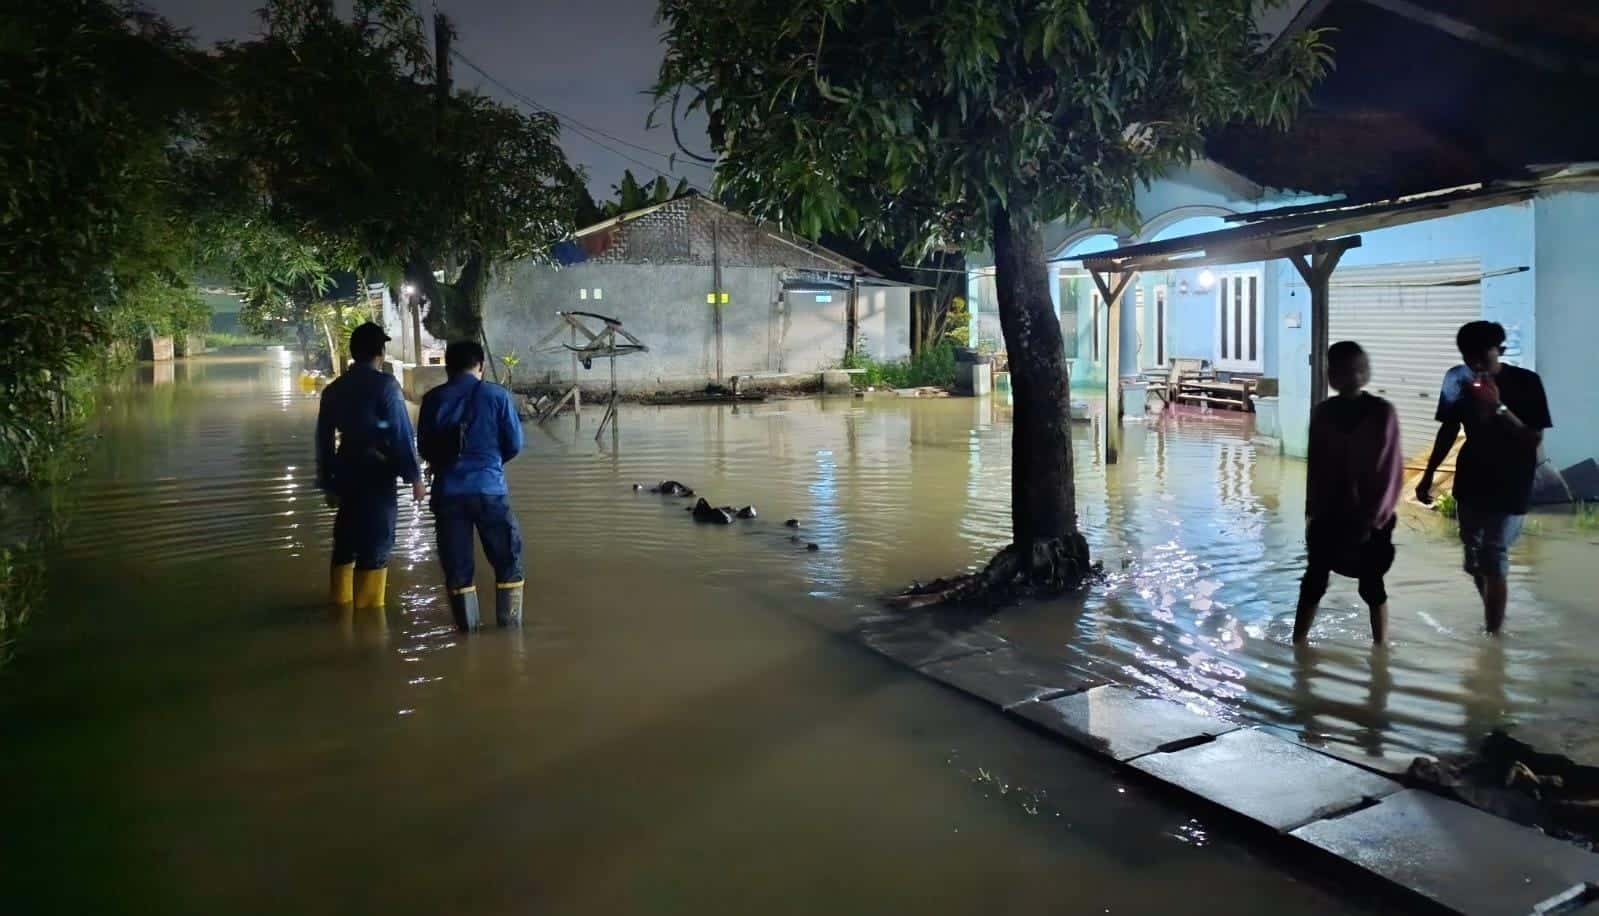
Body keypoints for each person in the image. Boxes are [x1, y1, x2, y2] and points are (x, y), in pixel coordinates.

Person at [1417, 321, 1552, 635]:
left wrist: (1498, 407)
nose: (1475, 364)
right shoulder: (1455, 379)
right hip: (1472, 478)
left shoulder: (1526, 383)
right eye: (1468, 356)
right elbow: (1448, 429)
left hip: (1512, 480)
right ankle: (1492, 608)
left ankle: (1494, 638)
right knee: (1473, 559)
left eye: (1483, 356)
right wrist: (1428, 475)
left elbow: (1533, 439)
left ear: (1500, 351)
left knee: (1494, 552)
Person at [1294, 341, 1404, 645]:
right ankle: (1298, 644)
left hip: (1370, 518)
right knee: (1313, 582)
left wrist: (1372, 520)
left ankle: (1380, 649)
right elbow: (1315, 468)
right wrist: (1311, 513)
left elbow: (1390, 471)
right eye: (1343, 369)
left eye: (1359, 368)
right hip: (1328, 515)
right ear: (1332, 375)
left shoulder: (1382, 413)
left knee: (1371, 586)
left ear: (1365, 372)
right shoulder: (1323, 413)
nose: (1352, 375)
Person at [315, 322, 425, 610]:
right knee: (376, 545)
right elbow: (401, 434)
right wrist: (415, 477)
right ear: (380, 352)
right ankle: (368, 625)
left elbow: (323, 441)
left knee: (345, 543)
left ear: (353, 352)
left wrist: (328, 482)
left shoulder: (333, 390)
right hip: (377, 474)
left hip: (345, 472)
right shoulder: (386, 386)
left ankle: (339, 610)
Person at [418, 341, 525, 631]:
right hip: (490, 491)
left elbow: (425, 449)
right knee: (507, 563)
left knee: (458, 570)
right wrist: (490, 462)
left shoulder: (433, 400)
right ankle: (511, 633)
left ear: (447, 367)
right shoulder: (497, 396)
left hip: (449, 494)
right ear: (481, 366)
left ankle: (469, 637)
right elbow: (515, 444)